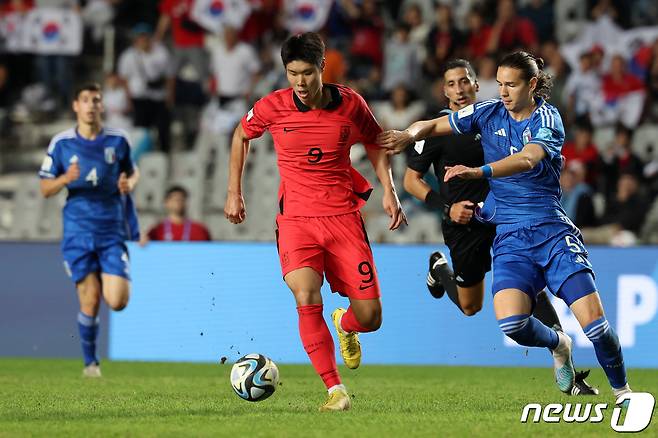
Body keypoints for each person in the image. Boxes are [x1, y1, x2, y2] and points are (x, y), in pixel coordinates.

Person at [379, 51, 631, 403]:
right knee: (511, 323)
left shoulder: (548, 117)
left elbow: (528, 158)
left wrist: (478, 171)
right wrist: (408, 134)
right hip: (509, 235)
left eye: (510, 84)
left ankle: (623, 393)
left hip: (551, 233)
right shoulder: (487, 111)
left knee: (597, 328)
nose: (503, 92)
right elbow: (434, 126)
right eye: (499, 84)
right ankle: (559, 343)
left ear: (531, 84)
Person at [224, 32, 406, 412]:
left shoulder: (352, 104)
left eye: (307, 73)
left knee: (370, 318)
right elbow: (242, 133)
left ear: (323, 68)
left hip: (343, 219)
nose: (300, 83)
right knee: (306, 297)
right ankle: (335, 390)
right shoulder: (272, 106)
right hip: (297, 221)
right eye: (292, 74)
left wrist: (389, 191)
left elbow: (374, 141)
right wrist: (233, 191)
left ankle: (346, 325)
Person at [38, 83, 140, 377]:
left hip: (111, 231)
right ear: (75, 106)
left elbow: (132, 172)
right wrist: (64, 179)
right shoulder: (61, 143)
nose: (91, 105)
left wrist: (129, 184)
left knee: (118, 301)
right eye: (85, 100)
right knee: (90, 299)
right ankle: (90, 364)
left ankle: (91, 361)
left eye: (96, 100)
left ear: (102, 106)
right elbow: (45, 188)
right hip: (78, 231)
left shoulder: (118, 141)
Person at [143, 185, 211, 242]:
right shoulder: (157, 230)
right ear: (166, 203)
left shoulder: (199, 229)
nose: (178, 202)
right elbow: (143, 244)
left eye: (181, 199)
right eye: (175, 199)